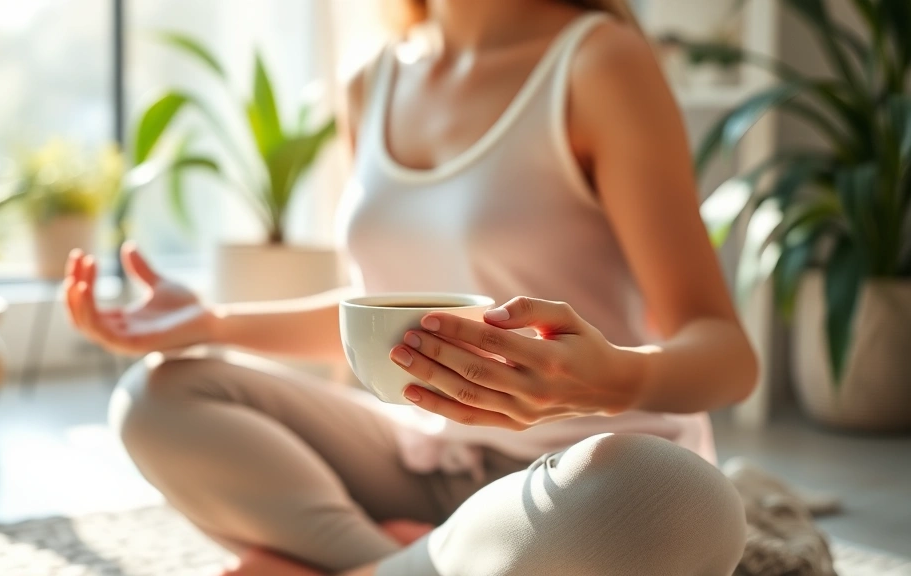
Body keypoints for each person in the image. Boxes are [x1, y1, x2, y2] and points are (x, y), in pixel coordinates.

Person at [64, 0, 757, 574]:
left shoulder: (599, 63)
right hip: (419, 455)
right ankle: (403, 562)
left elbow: (727, 357)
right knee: (157, 395)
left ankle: (377, 563)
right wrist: (211, 323)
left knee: (676, 498)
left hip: (577, 474)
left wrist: (611, 380)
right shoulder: (373, 77)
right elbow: (388, 312)